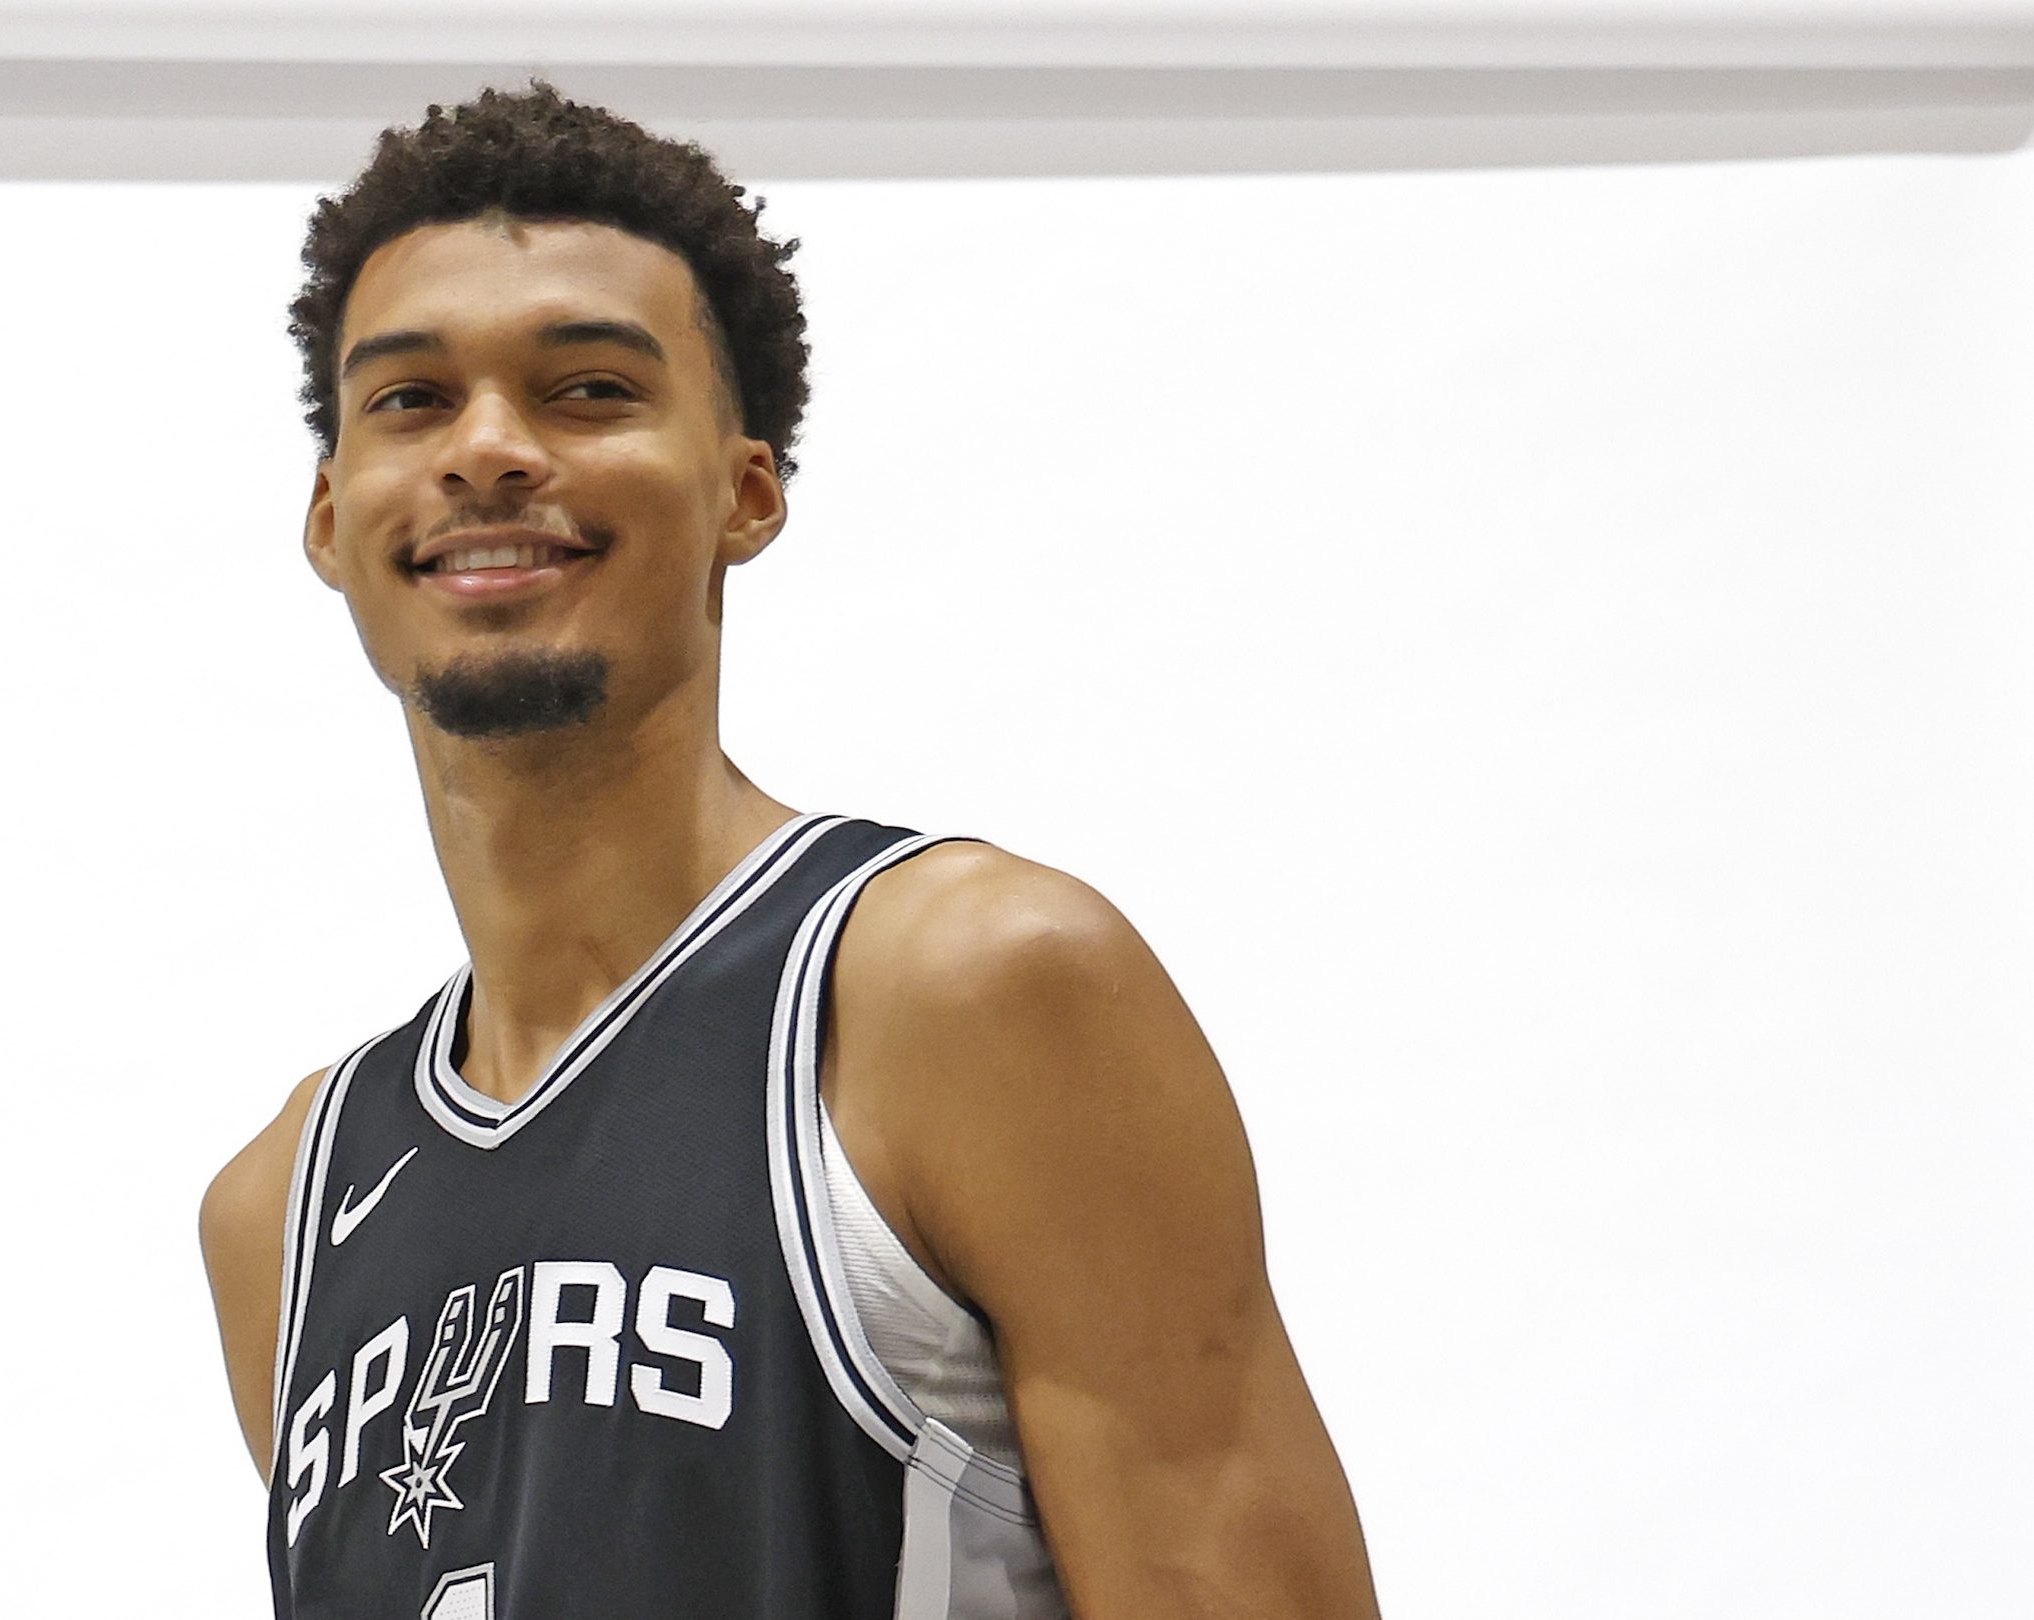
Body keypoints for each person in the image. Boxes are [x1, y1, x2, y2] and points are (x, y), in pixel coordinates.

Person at [199, 80, 1382, 1620]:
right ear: (326, 514)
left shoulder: (966, 992)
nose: (485, 451)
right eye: (410, 401)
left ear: (745, 491)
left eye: (586, 392)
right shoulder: (283, 1206)